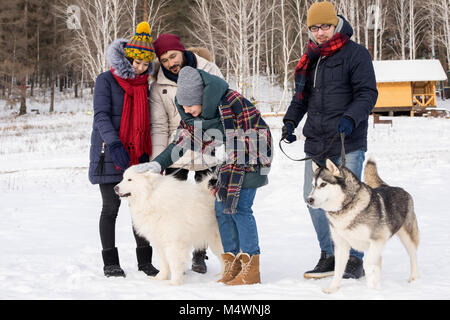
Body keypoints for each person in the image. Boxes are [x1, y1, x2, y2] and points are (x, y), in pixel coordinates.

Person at [133, 66, 272, 285]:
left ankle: (251, 269)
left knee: (240, 209)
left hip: (253, 155)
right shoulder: (191, 115)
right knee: (221, 211)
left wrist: (234, 158)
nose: (187, 110)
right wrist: (157, 164)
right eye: (184, 105)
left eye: (190, 105)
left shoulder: (231, 102)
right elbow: (180, 143)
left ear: (202, 98)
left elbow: (256, 134)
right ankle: (232, 264)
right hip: (228, 161)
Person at [281, 1, 378, 280]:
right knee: (312, 197)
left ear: (335, 24)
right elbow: (301, 99)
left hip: (348, 139)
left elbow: (367, 93)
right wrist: (290, 122)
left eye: (325, 26)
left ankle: (354, 259)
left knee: (349, 200)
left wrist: (351, 118)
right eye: (314, 28)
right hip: (317, 143)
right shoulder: (311, 58)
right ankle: (329, 253)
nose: (320, 32)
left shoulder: (356, 54)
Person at [88, 22, 159, 278]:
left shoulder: (144, 85)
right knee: (110, 208)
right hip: (110, 152)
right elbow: (101, 115)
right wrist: (115, 142)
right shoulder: (105, 80)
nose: (140, 68)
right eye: (136, 62)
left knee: (140, 208)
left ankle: (145, 262)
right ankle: (110, 262)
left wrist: (144, 153)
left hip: (137, 153)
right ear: (127, 57)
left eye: (144, 64)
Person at [149, 33, 224, 273]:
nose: (171, 62)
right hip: (177, 150)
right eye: (164, 59)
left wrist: (213, 141)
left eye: (173, 55)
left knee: (205, 205)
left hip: (206, 148)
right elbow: (159, 126)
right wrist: (158, 163)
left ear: (182, 51)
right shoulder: (158, 85)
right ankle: (175, 255)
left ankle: (200, 255)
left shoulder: (209, 70)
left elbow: (221, 109)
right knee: (175, 206)